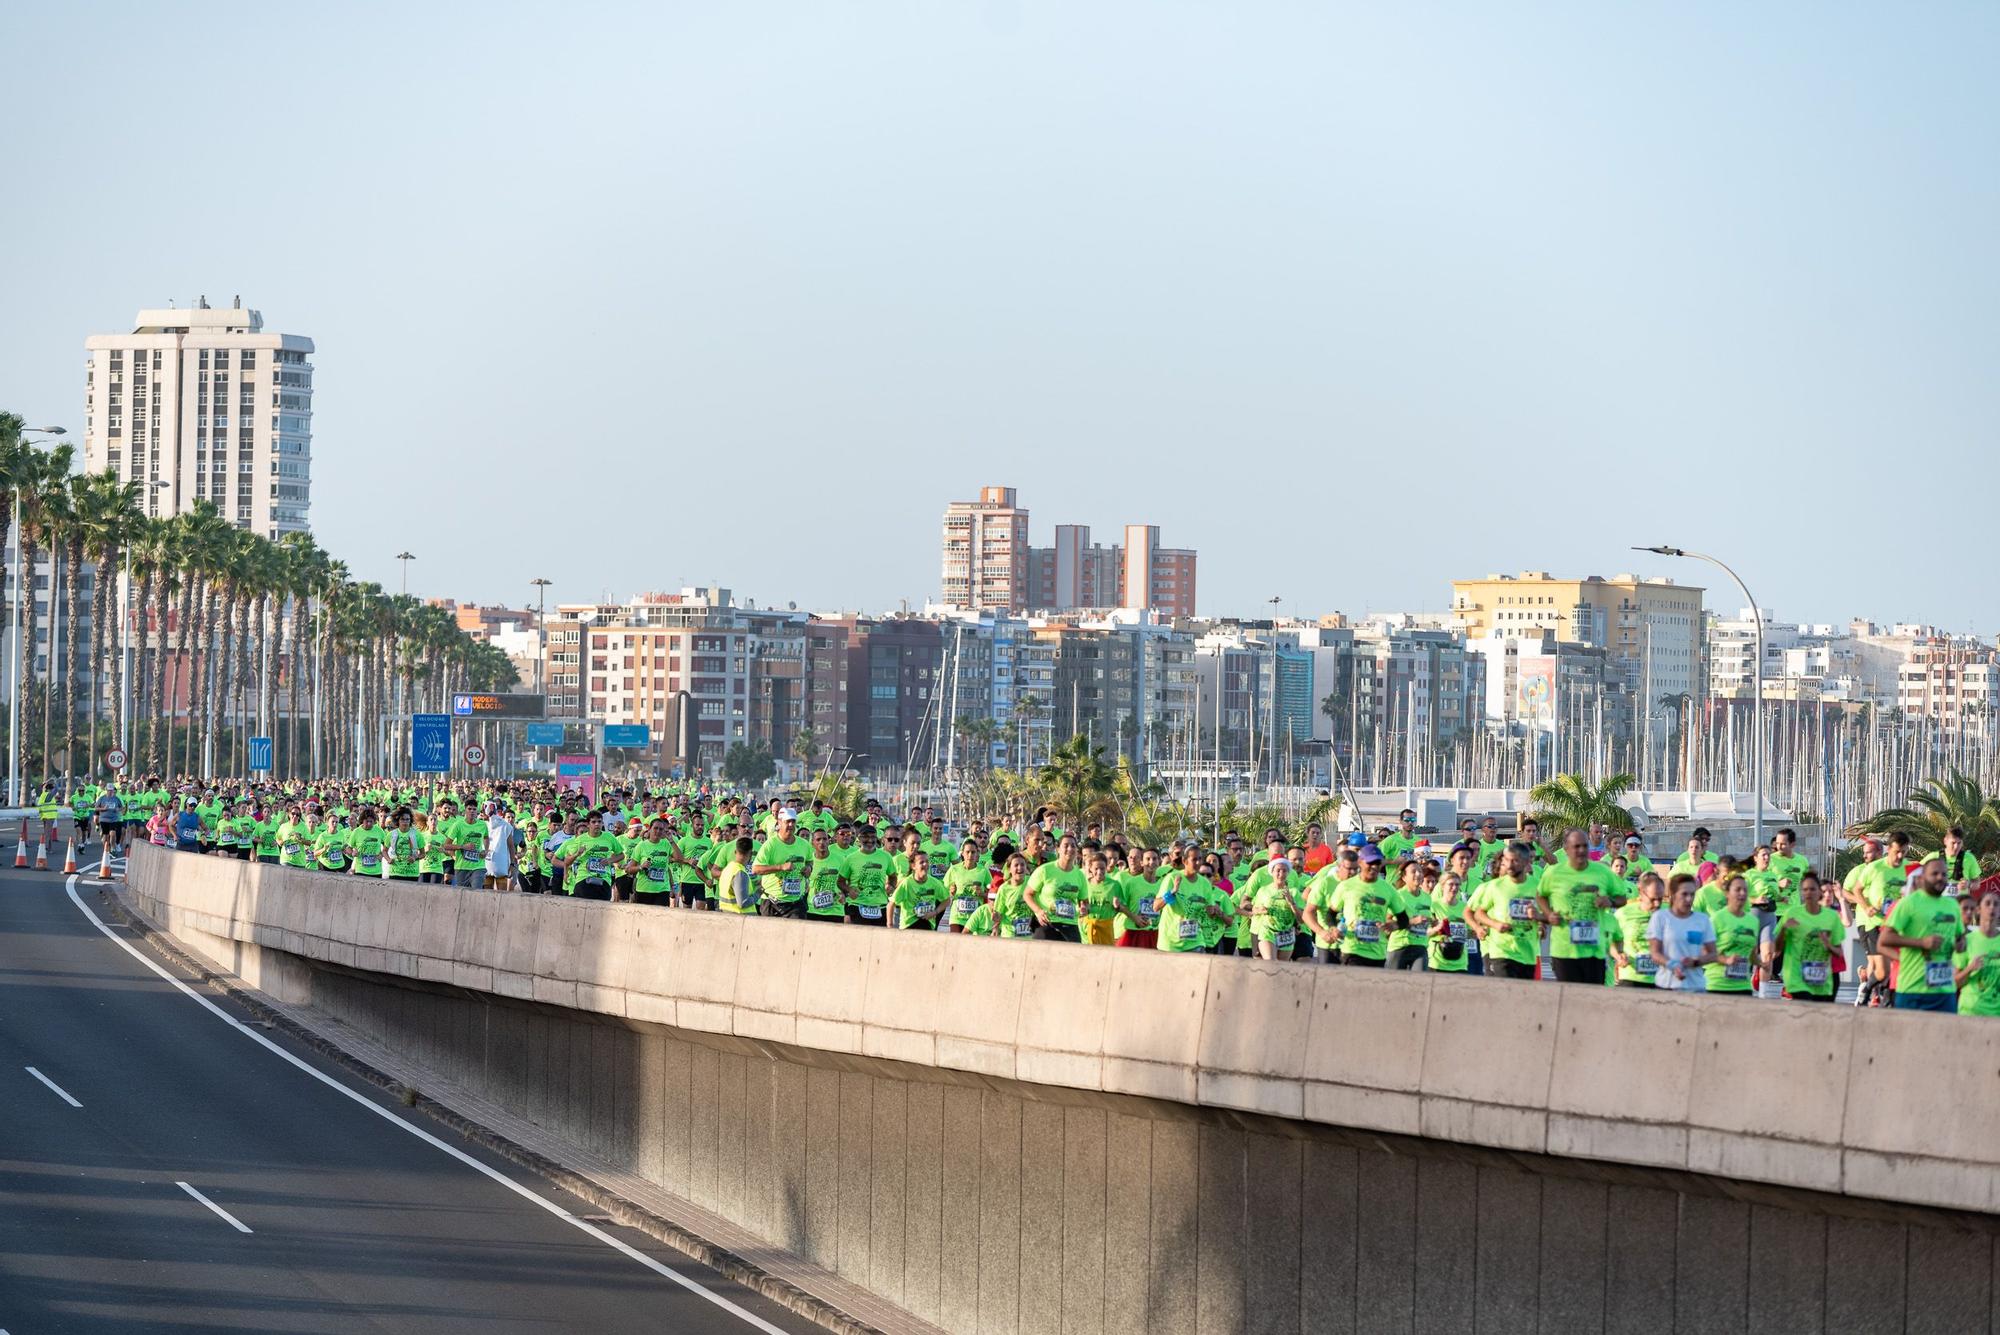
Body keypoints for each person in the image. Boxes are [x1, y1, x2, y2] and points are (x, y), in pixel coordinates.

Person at [1540, 828, 1625, 985]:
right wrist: (1549, 914)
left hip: (1595, 949)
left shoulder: (1602, 872)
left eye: (1585, 846)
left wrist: (1610, 902)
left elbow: (1622, 898)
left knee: (1593, 999)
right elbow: (1540, 895)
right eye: (1576, 846)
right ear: (1566, 849)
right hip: (1564, 949)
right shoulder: (1554, 873)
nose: (1581, 850)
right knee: (1569, 999)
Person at [1879, 857, 1964, 1012]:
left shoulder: (1952, 905)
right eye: (1935, 873)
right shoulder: (1908, 903)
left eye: (1944, 874)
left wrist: (1960, 945)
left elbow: (1960, 937)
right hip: (1913, 989)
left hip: (1945, 991)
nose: (1940, 877)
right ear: (1923, 877)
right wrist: (1921, 943)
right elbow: (1884, 940)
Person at [1465, 843, 1549, 980]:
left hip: (1528, 952)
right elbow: (1475, 912)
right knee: (1505, 993)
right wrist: (1490, 925)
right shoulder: (1492, 887)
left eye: (1514, 861)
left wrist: (1539, 920)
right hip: (1500, 950)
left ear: (1526, 862)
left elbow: (1548, 915)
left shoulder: (1537, 885)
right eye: (1506, 861)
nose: (1509, 866)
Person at [1772, 873, 1841, 1002]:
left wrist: (1828, 945)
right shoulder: (1792, 913)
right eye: (1805, 889)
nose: (1809, 893)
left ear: (1819, 892)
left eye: (1813, 889)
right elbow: (1776, 949)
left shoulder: (1832, 917)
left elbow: (1839, 952)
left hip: (1822, 980)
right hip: (1797, 979)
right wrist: (1783, 931)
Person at [1647, 875, 1715, 990]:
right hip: (1666, 985)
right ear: (1673, 895)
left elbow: (1713, 954)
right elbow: (1655, 953)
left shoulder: (1702, 920)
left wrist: (1695, 961)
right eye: (1684, 894)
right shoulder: (1660, 917)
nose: (1689, 899)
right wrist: (1673, 965)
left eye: (1692, 894)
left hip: (1696, 986)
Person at [1705, 875, 1761, 997]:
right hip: (1717, 985)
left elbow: (1751, 952)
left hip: (1743, 986)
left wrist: (1763, 964)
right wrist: (1726, 960)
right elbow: (1704, 952)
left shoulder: (1753, 921)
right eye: (1738, 889)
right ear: (1727, 893)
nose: (1742, 893)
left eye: (1745, 890)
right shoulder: (1717, 919)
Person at [752, 808, 813, 918]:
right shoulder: (770, 844)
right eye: (787, 821)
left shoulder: (804, 844)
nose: (790, 825)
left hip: (795, 903)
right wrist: (780, 867)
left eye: (793, 821)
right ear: (779, 822)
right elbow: (756, 869)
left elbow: (809, 860)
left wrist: (809, 868)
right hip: (772, 902)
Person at [1609, 873, 1665, 986]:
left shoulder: (1669, 913)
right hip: (1631, 977)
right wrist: (1618, 955)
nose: (1657, 903)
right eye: (1653, 899)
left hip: (1662, 979)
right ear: (1641, 893)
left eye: (1660, 899)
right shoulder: (1624, 913)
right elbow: (1609, 941)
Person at [1953, 890, 2000, 1017]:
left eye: (1996, 904)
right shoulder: (1966, 940)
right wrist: (1970, 968)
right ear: (1978, 910)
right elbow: (1955, 982)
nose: (1992, 907)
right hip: (1970, 1012)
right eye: (1988, 903)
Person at [1249, 858, 1305, 961]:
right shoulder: (1264, 890)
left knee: (1282, 968)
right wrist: (1259, 910)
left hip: (1286, 933)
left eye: (1284, 871)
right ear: (1272, 872)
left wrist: (1291, 903)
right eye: (1278, 870)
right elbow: (1253, 909)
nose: (1281, 873)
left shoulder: (1294, 892)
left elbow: (1301, 919)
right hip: (1268, 932)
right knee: (1271, 963)